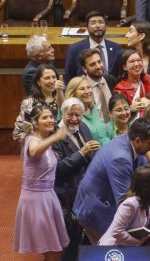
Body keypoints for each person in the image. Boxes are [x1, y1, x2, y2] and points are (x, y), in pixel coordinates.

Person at [73, 118, 150, 245]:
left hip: (107, 204)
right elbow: (125, 199)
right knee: (111, 253)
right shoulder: (120, 158)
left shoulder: (136, 146)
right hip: (96, 210)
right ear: (138, 141)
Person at [13, 105, 69, 261]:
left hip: (48, 197)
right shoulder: (32, 139)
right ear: (35, 123)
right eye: (45, 117)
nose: (50, 120)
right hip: (35, 200)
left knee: (54, 251)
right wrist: (55, 138)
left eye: (51, 116)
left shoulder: (45, 140)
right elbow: (34, 151)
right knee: (53, 251)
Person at [53, 98, 99, 261]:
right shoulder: (54, 135)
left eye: (77, 115)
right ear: (62, 113)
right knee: (70, 239)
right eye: (70, 114)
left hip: (88, 191)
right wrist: (82, 152)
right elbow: (59, 170)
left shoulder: (84, 127)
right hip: (67, 195)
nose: (74, 119)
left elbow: (92, 155)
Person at [99, 165, 150, 247]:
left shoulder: (145, 202)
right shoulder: (130, 204)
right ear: (149, 184)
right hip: (111, 250)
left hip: (126, 248)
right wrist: (138, 242)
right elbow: (117, 231)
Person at [64, 10, 122, 83]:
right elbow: (69, 78)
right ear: (87, 27)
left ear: (106, 25)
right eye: (93, 23)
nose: (97, 26)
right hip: (86, 90)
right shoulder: (75, 49)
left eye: (101, 22)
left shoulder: (116, 48)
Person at [13, 64, 64, 143]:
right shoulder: (29, 104)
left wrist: (60, 93)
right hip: (39, 149)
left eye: (54, 77)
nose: (52, 81)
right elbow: (18, 133)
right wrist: (35, 140)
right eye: (47, 78)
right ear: (38, 82)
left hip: (63, 149)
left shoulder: (64, 100)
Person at [65, 76, 111, 144]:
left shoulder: (94, 108)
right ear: (73, 93)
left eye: (89, 87)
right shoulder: (70, 114)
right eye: (82, 89)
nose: (87, 91)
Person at [80, 48, 118, 123]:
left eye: (99, 62)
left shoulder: (111, 80)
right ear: (84, 69)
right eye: (92, 64)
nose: (98, 66)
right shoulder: (80, 87)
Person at [113, 49, 150, 114]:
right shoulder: (120, 89)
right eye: (132, 61)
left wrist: (149, 101)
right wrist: (130, 109)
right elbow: (119, 113)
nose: (136, 64)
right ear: (124, 67)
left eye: (139, 60)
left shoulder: (148, 79)